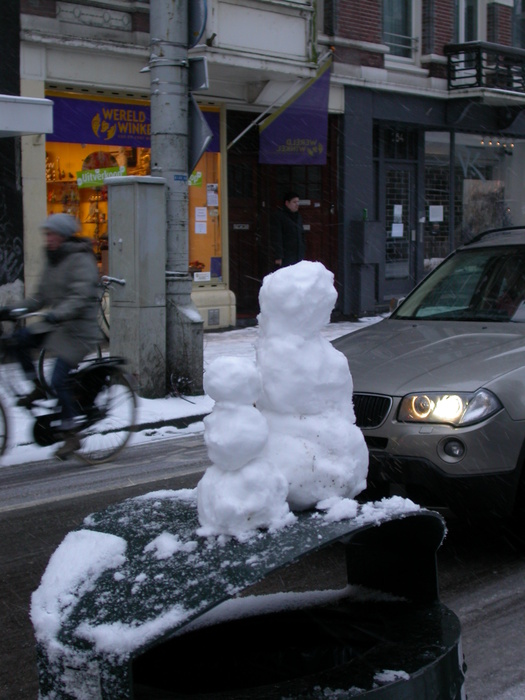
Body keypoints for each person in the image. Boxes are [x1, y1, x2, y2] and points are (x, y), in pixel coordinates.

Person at [1, 213, 101, 459]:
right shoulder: (53, 260)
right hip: (58, 326)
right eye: (47, 234)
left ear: (64, 236)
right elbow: (39, 298)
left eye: (52, 234)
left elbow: (79, 298)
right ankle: (36, 387)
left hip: (79, 330)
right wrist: (11, 310)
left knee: (58, 379)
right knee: (20, 339)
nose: (48, 239)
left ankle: (71, 434)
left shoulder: (80, 259)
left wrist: (57, 314)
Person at [271, 192, 306, 268]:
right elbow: (277, 238)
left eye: (298, 202)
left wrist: (302, 251)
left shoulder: (298, 217)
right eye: (294, 202)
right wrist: (278, 256)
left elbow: (301, 235)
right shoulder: (279, 216)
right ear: (287, 203)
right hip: (286, 256)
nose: (297, 204)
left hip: (298, 256)